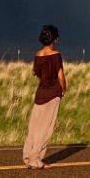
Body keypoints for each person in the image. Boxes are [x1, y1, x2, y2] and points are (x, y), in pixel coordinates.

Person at [22, 24, 67, 169]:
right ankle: (36, 160)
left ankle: (28, 157)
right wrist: (63, 90)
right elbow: (61, 76)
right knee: (45, 129)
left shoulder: (38, 55)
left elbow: (37, 73)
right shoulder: (56, 55)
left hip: (40, 94)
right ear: (54, 39)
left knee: (34, 128)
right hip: (53, 94)